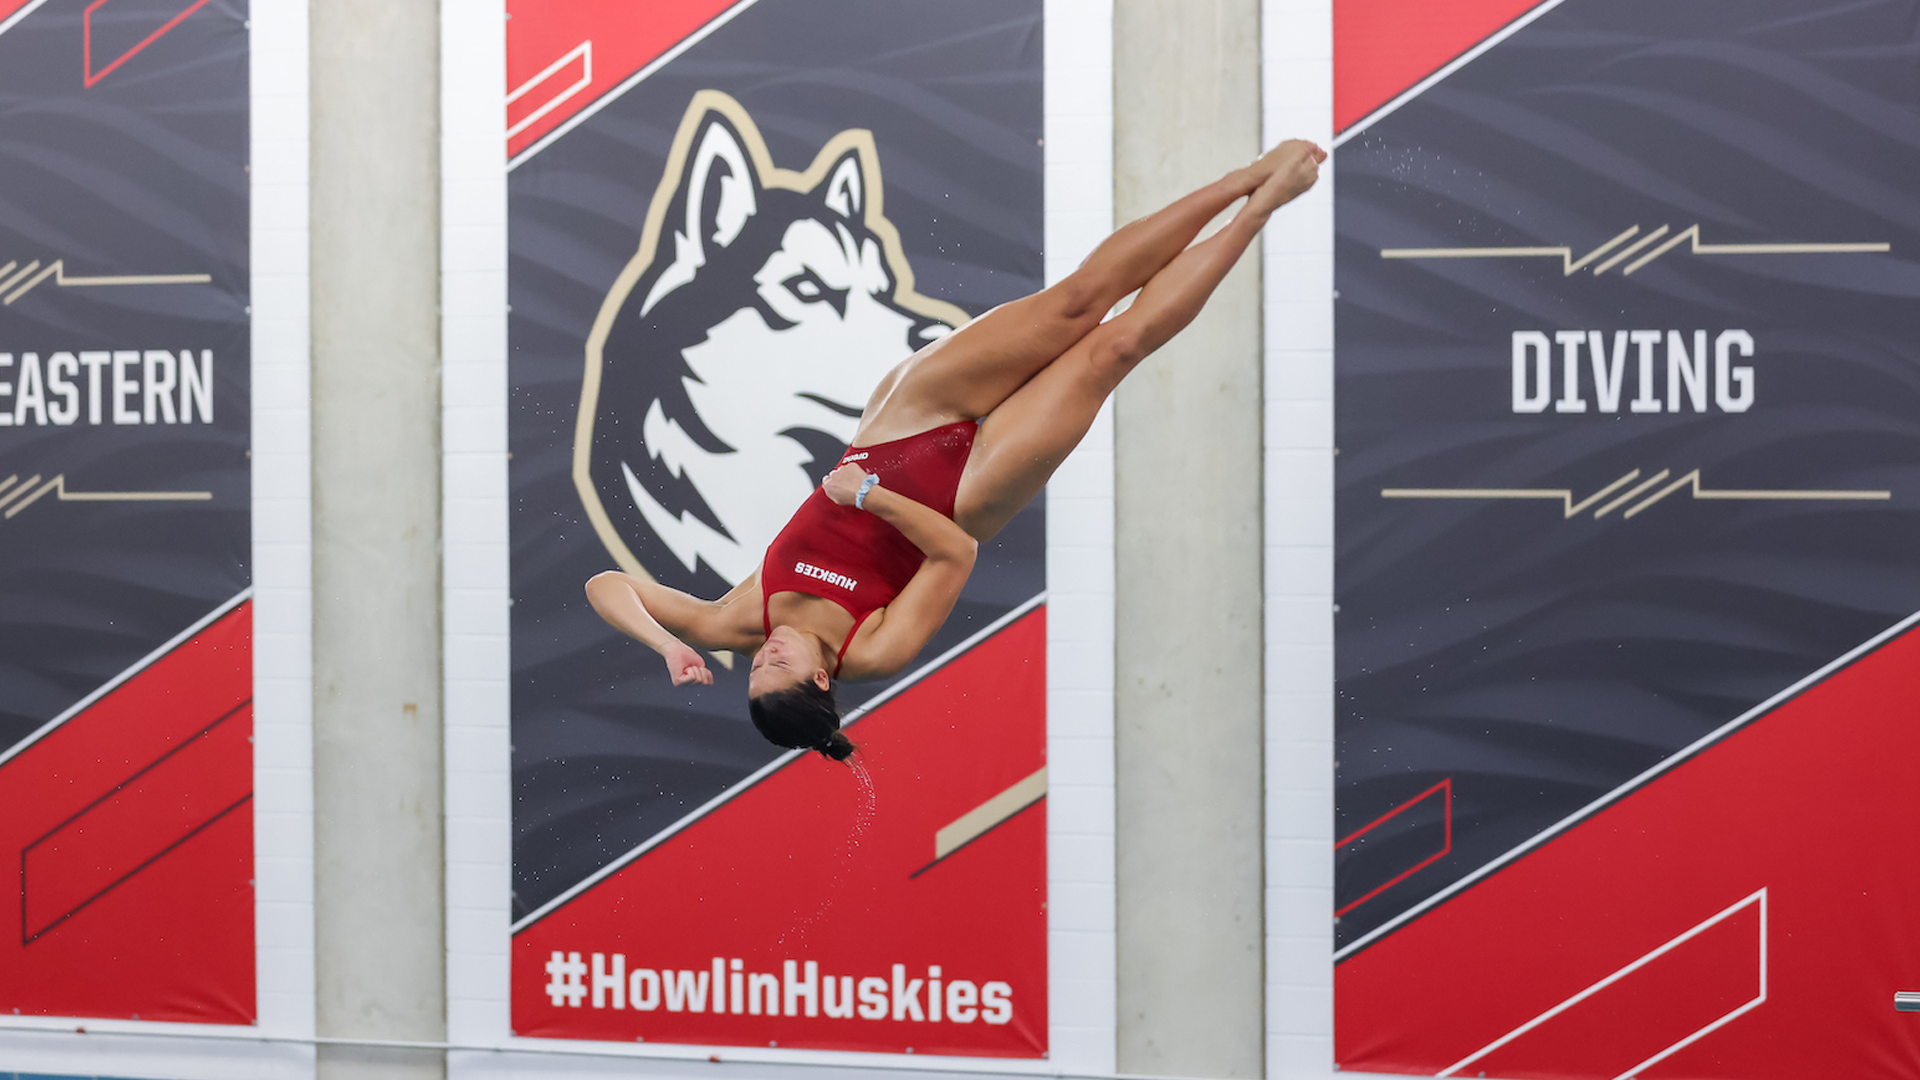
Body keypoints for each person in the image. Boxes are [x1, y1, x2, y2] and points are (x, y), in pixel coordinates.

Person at [586, 139, 1326, 760]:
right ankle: (1262, 209)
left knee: (1077, 304)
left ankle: (1243, 178)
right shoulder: (874, 651)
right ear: (820, 679)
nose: (765, 658)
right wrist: (868, 497)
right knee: (1115, 349)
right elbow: (954, 555)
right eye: (779, 670)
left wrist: (666, 645)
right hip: (963, 492)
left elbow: (607, 584)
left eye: (755, 672)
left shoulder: (736, 622)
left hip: (903, 424)